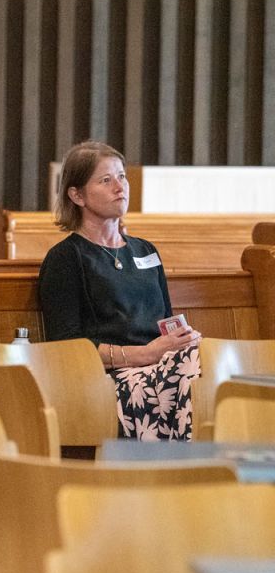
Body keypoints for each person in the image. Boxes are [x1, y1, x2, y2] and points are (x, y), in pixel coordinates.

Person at [38, 141, 200, 440]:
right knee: (197, 373)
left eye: (122, 176)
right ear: (77, 195)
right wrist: (143, 354)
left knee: (208, 362)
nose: (119, 187)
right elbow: (65, 347)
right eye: (106, 180)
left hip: (165, 366)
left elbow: (164, 322)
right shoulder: (66, 258)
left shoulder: (145, 250)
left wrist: (180, 338)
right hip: (109, 380)